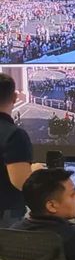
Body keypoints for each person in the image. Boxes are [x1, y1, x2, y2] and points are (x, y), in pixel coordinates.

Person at [0, 72, 43, 227]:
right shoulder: (14, 135)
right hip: (6, 217)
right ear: (14, 97)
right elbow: (22, 182)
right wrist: (35, 170)